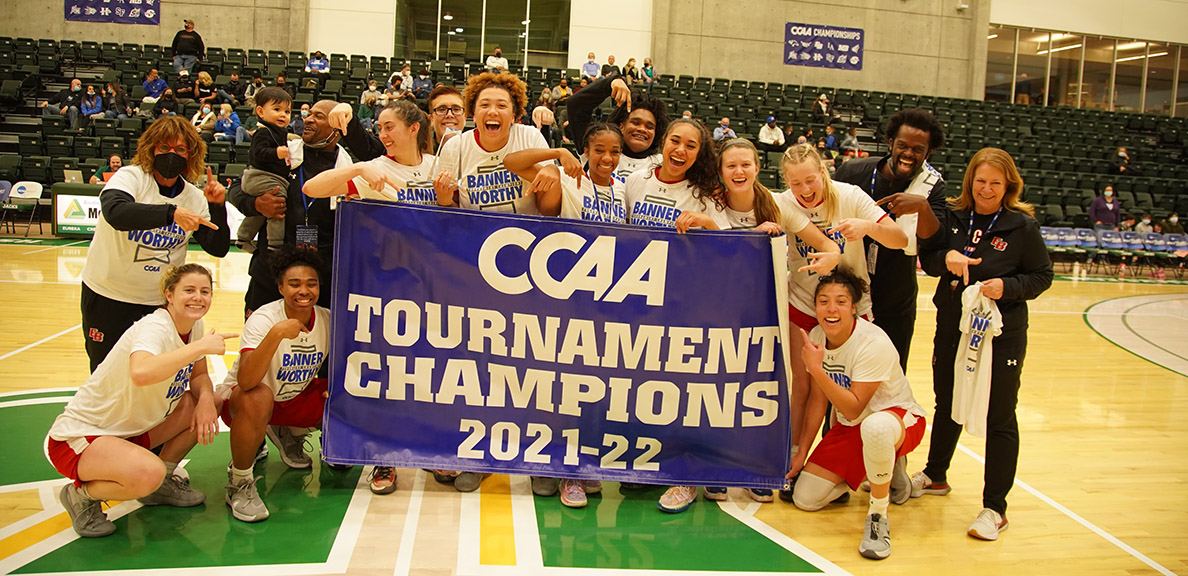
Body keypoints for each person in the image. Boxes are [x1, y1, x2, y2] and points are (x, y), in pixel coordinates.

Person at [915, 147, 1053, 541]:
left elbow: (1042, 277)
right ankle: (935, 475)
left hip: (1000, 334)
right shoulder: (954, 215)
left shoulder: (1022, 226)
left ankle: (995, 508)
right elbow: (929, 257)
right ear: (970, 180)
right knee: (948, 399)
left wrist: (1006, 287)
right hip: (953, 325)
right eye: (980, 181)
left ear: (1008, 184)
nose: (986, 189)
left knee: (1000, 415)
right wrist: (949, 257)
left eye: (995, 182)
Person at [48, 264, 230, 538]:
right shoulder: (155, 326)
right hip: (82, 438)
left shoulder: (194, 326)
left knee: (211, 401)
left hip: (129, 432)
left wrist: (205, 397)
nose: (198, 297)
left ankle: (162, 485)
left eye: (205, 291)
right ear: (169, 295)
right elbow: (141, 373)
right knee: (148, 474)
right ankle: (80, 495)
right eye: (189, 290)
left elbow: (199, 375)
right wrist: (202, 346)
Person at [775, 143, 907, 502]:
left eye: (810, 180)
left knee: (858, 393)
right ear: (786, 182)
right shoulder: (784, 202)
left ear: (824, 172)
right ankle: (795, 459)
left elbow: (900, 239)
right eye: (795, 183)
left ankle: (883, 460)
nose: (805, 189)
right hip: (804, 302)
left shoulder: (850, 197)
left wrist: (868, 227)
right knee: (804, 383)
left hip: (850, 305)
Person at [788, 268, 927, 560]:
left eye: (840, 301)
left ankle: (878, 516)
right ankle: (882, 468)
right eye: (823, 301)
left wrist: (815, 368)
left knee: (875, 428)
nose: (831, 308)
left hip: (897, 419)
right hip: (853, 428)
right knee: (804, 498)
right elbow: (817, 401)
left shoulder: (873, 342)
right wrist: (801, 453)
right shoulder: (816, 335)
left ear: (854, 308)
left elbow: (853, 406)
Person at [79, 116, 230, 371]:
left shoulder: (193, 197)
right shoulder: (131, 177)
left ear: (190, 155)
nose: (172, 155)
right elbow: (116, 213)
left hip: (157, 303)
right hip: (108, 295)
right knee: (105, 371)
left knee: (154, 373)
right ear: (151, 148)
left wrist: (217, 207)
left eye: (180, 149)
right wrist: (171, 213)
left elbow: (217, 247)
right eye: (164, 148)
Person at [217, 246, 330, 522]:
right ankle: (240, 482)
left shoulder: (327, 318)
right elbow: (246, 382)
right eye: (294, 284)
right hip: (243, 402)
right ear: (280, 288)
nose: (303, 290)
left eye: (310, 284)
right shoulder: (264, 319)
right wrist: (277, 334)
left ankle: (285, 430)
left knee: (344, 393)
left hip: (290, 400)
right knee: (259, 397)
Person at [833, 108, 947, 371]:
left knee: (889, 376)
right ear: (891, 143)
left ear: (928, 153)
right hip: (848, 289)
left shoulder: (931, 187)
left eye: (918, 149)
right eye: (903, 145)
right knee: (840, 372)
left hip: (896, 298)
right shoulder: (853, 172)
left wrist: (922, 207)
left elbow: (934, 242)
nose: (909, 153)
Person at [228, 99, 354, 315]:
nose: (309, 120)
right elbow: (236, 189)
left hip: (320, 279)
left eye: (319, 116)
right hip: (269, 274)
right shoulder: (282, 153)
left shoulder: (350, 169)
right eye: (309, 114)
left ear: (337, 130)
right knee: (260, 341)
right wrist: (256, 204)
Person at [433, 72, 549, 215]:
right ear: (473, 115)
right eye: (485, 105)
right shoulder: (454, 147)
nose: (492, 111)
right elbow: (451, 214)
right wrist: (444, 200)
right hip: (474, 233)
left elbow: (549, 200)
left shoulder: (530, 137)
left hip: (525, 233)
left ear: (513, 116)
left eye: (501, 105)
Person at [304, 99, 435, 207]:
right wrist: (358, 168)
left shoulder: (436, 164)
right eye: (380, 128)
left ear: (413, 129)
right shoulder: (376, 169)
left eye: (389, 127)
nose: (382, 135)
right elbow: (310, 188)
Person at [505, 122, 624, 225]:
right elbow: (510, 162)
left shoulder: (622, 189)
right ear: (586, 152)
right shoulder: (567, 177)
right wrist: (557, 152)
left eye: (614, 152)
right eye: (599, 150)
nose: (607, 158)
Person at [566, 74, 669, 181]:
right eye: (636, 123)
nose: (642, 129)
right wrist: (612, 82)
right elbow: (576, 105)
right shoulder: (597, 148)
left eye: (649, 127)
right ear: (621, 126)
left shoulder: (662, 163)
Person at [236, 87, 293, 254]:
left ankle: (243, 238)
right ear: (260, 111)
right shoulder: (263, 132)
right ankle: (275, 245)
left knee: (263, 209)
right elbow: (257, 154)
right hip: (260, 177)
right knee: (277, 204)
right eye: (277, 110)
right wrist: (276, 152)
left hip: (268, 178)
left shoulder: (281, 132)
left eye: (287, 111)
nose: (283, 115)